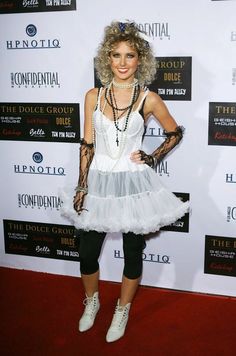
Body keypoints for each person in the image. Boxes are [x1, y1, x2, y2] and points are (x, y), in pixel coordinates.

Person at [61, 20, 189, 343]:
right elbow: (87, 144)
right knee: (87, 252)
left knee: (133, 252)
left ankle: (122, 307)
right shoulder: (92, 96)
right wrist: (81, 185)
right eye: (116, 55)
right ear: (107, 58)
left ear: (139, 60)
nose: (121, 62)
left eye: (129, 55)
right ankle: (92, 301)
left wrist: (151, 156)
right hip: (99, 181)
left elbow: (176, 132)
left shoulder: (148, 99)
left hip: (133, 183)